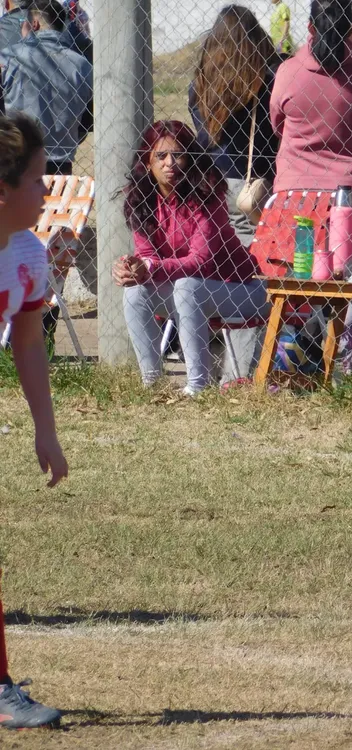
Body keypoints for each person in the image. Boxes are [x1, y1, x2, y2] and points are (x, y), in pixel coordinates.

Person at [114, 120, 267, 395]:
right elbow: (147, 256)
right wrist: (133, 269)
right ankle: (153, 383)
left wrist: (150, 267)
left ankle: (198, 385)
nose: (169, 163)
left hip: (243, 289)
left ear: (190, 158)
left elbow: (201, 262)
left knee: (187, 285)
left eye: (178, 155)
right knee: (135, 292)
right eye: (160, 156)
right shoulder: (142, 199)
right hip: (191, 294)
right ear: (147, 162)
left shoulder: (208, 194)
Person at [0, 112, 67, 730]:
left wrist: (45, 429)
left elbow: (26, 345)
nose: (47, 191)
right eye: (38, 178)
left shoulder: (26, 254)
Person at [271, 0, 352, 233]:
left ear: (311, 27)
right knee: (347, 264)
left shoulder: (288, 72)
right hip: (349, 190)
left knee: (295, 265)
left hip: (294, 188)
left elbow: (277, 123)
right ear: (350, 27)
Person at [190, 5, 280, 245]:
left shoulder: (200, 84)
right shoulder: (264, 83)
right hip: (252, 183)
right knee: (252, 243)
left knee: (216, 242)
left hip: (212, 180)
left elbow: (203, 132)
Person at [0, 0, 92, 175]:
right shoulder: (82, 65)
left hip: (17, 156)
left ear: (33, 24)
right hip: (62, 161)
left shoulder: (9, 57)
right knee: (58, 200)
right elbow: (88, 119)